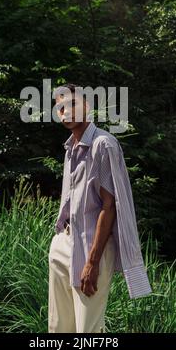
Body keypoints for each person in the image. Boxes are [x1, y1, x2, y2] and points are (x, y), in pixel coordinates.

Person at [48, 83, 152, 333]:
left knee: (89, 330)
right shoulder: (69, 148)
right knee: (58, 328)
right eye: (60, 108)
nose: (66, 112)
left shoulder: (103, 144)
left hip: (92, 248)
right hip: (64, 243)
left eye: (72, 104)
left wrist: (92, 262)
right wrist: (58, 241)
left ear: (87, 105)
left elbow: (110, 206)